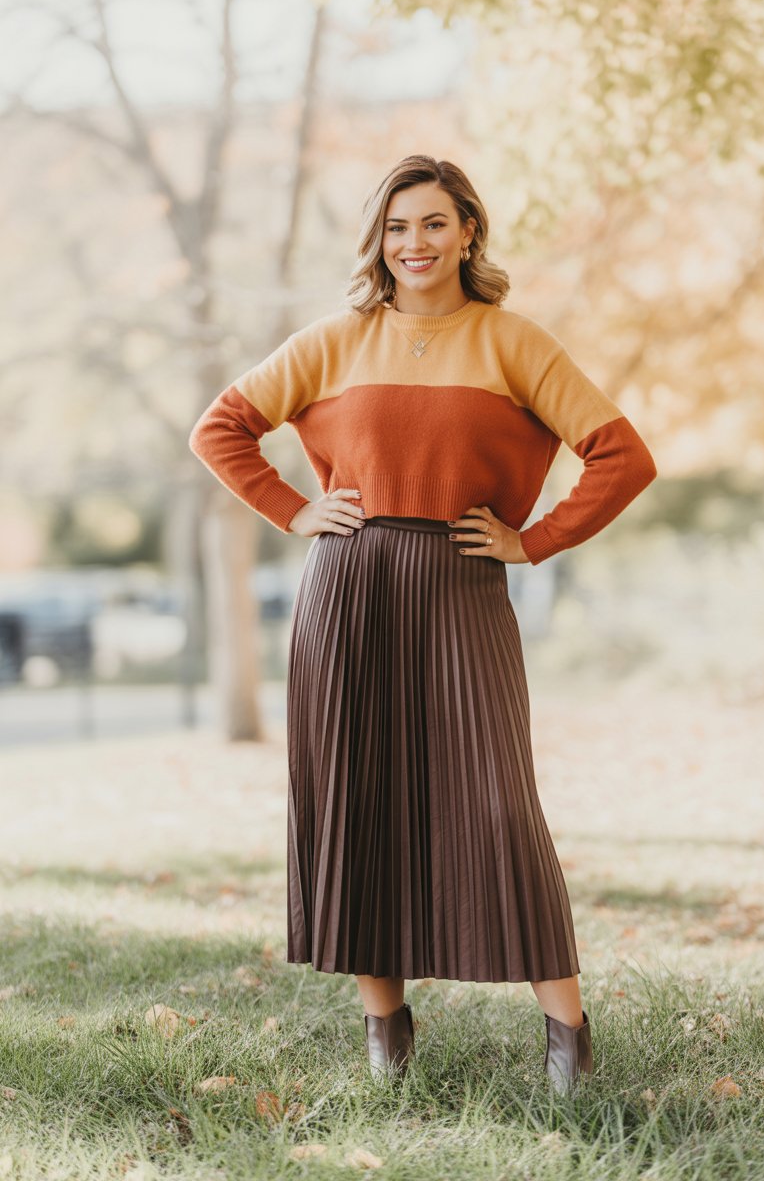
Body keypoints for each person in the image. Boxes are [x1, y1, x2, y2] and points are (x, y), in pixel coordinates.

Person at [188, 154, 657, 1092]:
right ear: (380, 239)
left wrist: (535, 540)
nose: (415, 244)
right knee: (359, 795)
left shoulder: (514, 342)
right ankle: (386, 1028)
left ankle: (567, 1034)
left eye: (434, 224)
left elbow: (622, 456)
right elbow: (220, 429)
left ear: (468, 233)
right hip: (348, 589)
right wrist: (293, 510)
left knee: (496, 800)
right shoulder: (332, 340)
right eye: (399, 227)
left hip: (459, 584)